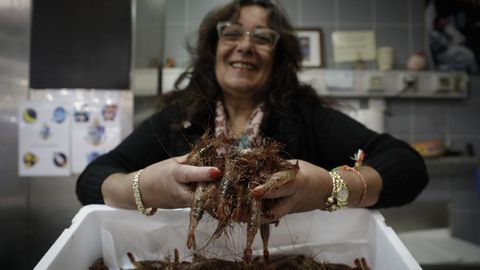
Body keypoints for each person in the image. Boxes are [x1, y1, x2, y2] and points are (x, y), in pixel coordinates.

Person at [76, 0, 428, 222]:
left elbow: (408, 165)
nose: (244, 45)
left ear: (279, 59)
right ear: (213, 49)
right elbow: (93, 178)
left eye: (262, 38)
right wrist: (141, 187)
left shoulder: (305, 116)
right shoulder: (179, 116)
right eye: (232, 34)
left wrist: (331, 187)